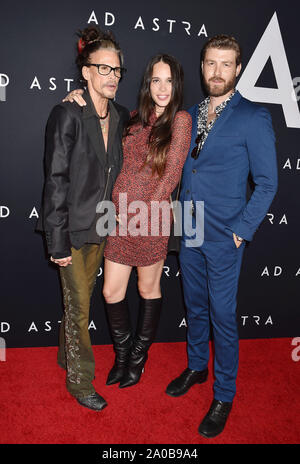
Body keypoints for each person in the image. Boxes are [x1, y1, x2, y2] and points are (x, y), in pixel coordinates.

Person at [165, 35, 278, 438]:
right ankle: (197, 366)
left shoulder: (253, 116)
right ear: (202, 67)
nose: (216, 71)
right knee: (194, 305)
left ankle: (224, 393)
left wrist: (240, 232)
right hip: (189, 228)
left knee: (223, 316)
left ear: (239, 69)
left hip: (224, 235)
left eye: (225, 64)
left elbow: (267, 182)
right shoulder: (189, 114)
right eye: (210, 63)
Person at [64, 54, 192, 389]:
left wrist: (141, 212)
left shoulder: (180, 121)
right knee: (110, 291)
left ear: (176, 84)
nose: (162, 88)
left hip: (152, 220)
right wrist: (76, 98)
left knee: (148, 288)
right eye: (155, 80)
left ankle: (137, 358)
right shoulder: (132, 118)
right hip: (115, 219)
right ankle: (122, 357)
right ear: (147, 84)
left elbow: (171, 177)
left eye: (168, 80)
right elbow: (101, 115)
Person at [37, 26, 130, 411]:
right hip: (72, 230)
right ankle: (80, 382)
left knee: (83, 299)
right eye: (103, 69)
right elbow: (55, 180)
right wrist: (56, 241)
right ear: (86, 72)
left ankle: (65, 356)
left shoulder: (123, 115)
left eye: (117, 70)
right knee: (78, 308)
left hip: (104, 226)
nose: (112, 77)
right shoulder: (67, 114)